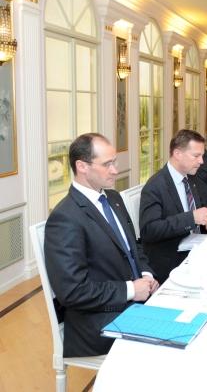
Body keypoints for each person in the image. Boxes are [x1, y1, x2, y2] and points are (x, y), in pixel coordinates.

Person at [44, 133, 158, 357]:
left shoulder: (113, 198)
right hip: (98, 320)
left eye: (114, 162)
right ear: (82, 167)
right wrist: (131, 290)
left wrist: (146, 274)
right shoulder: (65, 218)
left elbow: (134, 248)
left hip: (133, 304)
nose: (115, 170)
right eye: (107, 164)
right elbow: (73, 291)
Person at [140, 129, 207, 283]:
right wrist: (192, 218)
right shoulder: (155, 186)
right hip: (172, 261)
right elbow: (149, 230)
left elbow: (199, 207)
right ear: (177, 154)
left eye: (202, 156)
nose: (201, 161)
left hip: (195, 252)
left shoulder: (190, 179)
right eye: (196, 156)